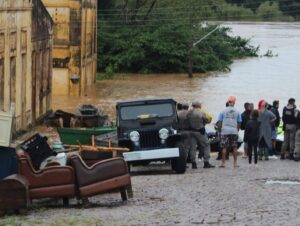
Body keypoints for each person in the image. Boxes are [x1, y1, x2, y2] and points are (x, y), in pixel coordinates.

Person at [187, 101, 215, 169]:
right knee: (206, 145)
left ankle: (193, 163)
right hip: (200, 131)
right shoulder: (201, 112)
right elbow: (207, 120)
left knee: (192, 147)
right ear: (198, 105)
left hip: (191, 132)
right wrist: (203, 123)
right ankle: (206, 162)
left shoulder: (189, 112)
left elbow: (186, 120)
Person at [217, 96, 242, 168]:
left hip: (225, 131)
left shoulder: (223, 111)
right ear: (234, 102)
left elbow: (219, 122)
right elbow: (239, 122)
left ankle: (223, 163)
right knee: (234, 147)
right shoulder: (237, 111)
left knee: (224, 147)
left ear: (228, 102)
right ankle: (235, 163)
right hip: (234, 131)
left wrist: (220, 130)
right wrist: (237, 130)